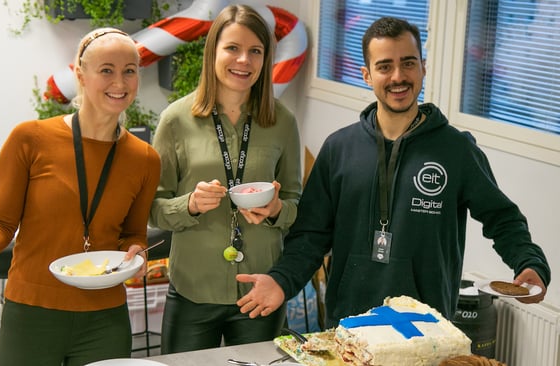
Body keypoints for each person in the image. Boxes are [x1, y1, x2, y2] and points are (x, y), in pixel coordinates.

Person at [236, 16, 551, 328]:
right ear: (367, 75)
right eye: (385, 66)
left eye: (409, 63)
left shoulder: (456, 150)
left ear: (423, 67)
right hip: (348, 324)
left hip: (426, 326)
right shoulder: (339, 149)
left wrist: (529, 262)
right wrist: (281, 281)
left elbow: (502, 217)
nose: (398, 76)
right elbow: (310, 236)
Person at [0, 28, 161, 365]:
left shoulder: (145, 158)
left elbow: (133, 233)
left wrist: (134, 252)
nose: (119, 82)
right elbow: (0, 222)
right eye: (106, 69)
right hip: (32, 313)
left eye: (129, 70)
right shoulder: (30, 139)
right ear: (80, 74)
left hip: (104, 318)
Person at [149, 4, 302, 354]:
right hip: (193, 290)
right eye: (232, 48)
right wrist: (187, 204)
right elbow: (153, 208)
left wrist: (278, 209)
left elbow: (296, 201)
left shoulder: (282, 121)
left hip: (259, 290)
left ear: (265, 59)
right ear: (213, 52)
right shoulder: (175, 120)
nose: (243, 60)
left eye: (255, 51)